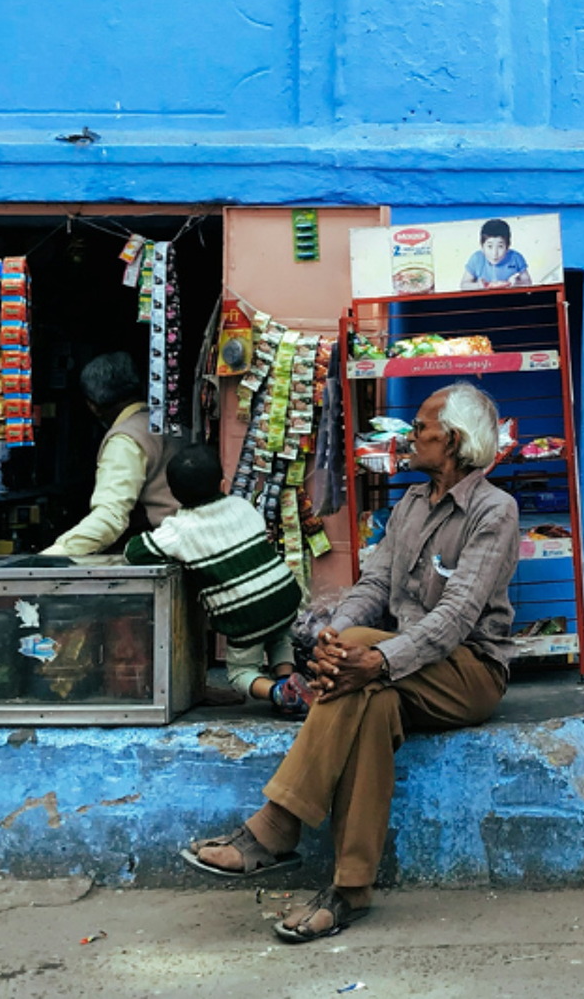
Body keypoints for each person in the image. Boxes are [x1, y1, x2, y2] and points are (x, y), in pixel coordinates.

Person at [179, 383, 519, 944]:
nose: (411, 436)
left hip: (470, 672)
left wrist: (376, 656)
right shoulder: (411, 504)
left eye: (421, 429)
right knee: (371, 699)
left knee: (368, 666)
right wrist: (335, 637)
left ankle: (275, 828)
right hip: (401, 670)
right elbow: (374, 585)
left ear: (453, 441)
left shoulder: (493, 511)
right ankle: (349, 892)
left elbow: (456, 620)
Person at [123, 445, 311, 716]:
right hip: (284, 595)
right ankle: (287, 680)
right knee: (279, 635)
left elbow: (134, 552)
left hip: (245, 617)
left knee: (240, 672)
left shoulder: (179, 530)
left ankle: (278, 693)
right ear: (223, 483)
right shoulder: (241, 506)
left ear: (174, 495)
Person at [43, 352, 184, 557]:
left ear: (93, 406)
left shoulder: (126, 440)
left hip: (160, 551)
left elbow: (109, 518)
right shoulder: (173, 425)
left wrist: (48, 558)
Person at [459, 218, 532, 290]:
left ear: (508, 246)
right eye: (490, 246)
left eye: (500, 246)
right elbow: (464, 285)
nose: (495, 253)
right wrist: (479, 285)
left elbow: (528, 282)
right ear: (482, 246)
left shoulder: (516, 258)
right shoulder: (476, 259)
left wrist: (516, 284)